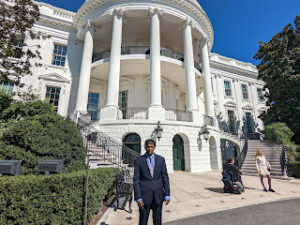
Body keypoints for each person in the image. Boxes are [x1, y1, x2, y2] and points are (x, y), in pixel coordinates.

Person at [133, 139, 170, 225]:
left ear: (154, 147)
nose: (150, 149)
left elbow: (165, 177)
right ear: (145, 147)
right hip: (144, 197)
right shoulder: (139, 160)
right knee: (143, 221)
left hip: (158, 196)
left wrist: (167, 194)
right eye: (148, 147)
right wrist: (138, 198)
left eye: (151, 147)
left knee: (157, 222)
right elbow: (136, 180)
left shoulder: (161, 160)